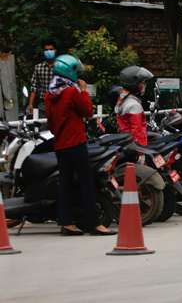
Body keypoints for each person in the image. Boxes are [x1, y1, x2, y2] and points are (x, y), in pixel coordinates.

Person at [44, 55, 115, 236]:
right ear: (69, 71)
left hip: (60, 145)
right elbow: (88, 112)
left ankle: (66, 223)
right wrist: (83, 90)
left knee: (65, 185)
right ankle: (94, 224)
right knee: (86, 183)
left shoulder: (49, 94)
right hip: (76, 142)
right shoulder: (71, 91)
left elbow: (51, 124)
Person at [115, 65, 154, 146]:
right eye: (142, 82)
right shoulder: (133, 105)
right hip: (134, 147)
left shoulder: (122, 99)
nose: (144, 85)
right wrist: (141, 152)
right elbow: (137, 132)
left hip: (125, 142)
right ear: (134, 84)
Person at [27, 39, 57, 115]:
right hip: (44, 103)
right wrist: (30, 104)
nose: (48, 51)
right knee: (43, 125)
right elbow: (34, 87)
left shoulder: (61, 67)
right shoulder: (38, 67)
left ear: (55, 50)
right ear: (44, 52)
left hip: (59, 102)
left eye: (51, 49)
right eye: (46, 50)